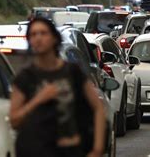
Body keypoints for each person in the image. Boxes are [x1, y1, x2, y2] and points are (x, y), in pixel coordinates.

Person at [9, 17, 105, 157]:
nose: (38, 38)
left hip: (71, 149)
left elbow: (98, 108)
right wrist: (38, 99)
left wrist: (97, 148)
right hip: (36, 150)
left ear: (54, 38)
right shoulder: (25, 77)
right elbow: (14, 120)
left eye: (43, 33)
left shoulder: (72, 72)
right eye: (33, 34)